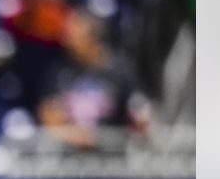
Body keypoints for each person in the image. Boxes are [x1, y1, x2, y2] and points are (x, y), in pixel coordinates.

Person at [37, 11, 148, 150]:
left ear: (93, 38)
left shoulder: (120, 71)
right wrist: (73, 134)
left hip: (112, 158)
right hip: (69, 158)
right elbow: (48, 115)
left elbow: (140, 113)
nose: (67, 40)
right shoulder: (61, 72)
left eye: (74, 35)